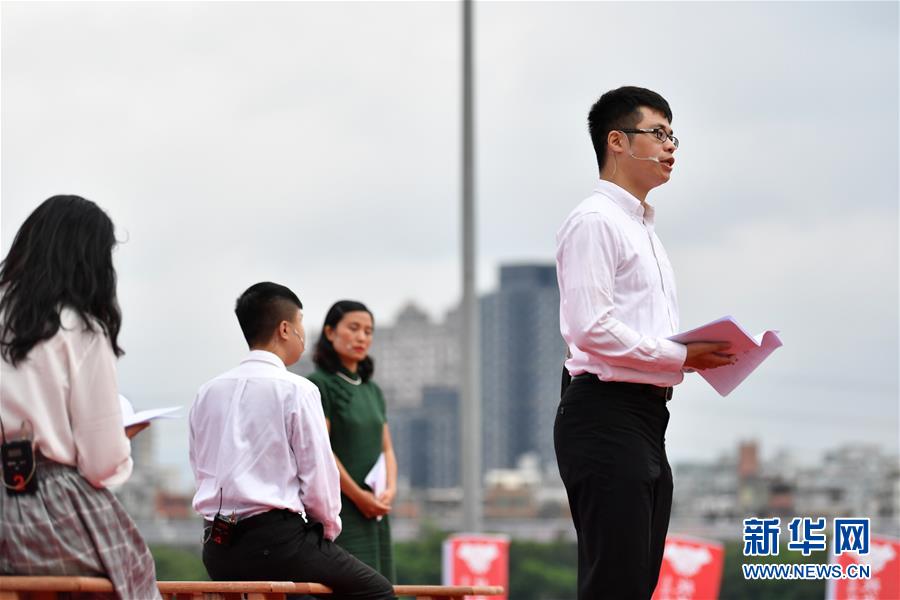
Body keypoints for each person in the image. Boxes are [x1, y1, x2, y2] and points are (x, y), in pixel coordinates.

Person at [553, 87, 736, 599]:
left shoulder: (642, 228)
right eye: (657, 133)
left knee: (634, 582)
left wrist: (694, 354)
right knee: (615, 582)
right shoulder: (595, 220)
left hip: (647, 418)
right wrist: (681, 354)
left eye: (673, 135)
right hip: (605, 415)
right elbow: (591, 328)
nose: (670, 146)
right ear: (617, 141)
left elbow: (632, 331)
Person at [0, 195, 161, 599]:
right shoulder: (80, 329)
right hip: (44, 499)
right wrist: (122, 442)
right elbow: (101, 462)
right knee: (133, 571)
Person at [189, 283, 394, 600]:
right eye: (300, 323)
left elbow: (201, 467)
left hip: (217, 542)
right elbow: (318, 476)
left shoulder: (208, 391)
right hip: (279, 541)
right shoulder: (297, 389)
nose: (303, 332)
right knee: (377, 591)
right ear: (285, 329)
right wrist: (324, 534)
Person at [308, 301, 397, 582]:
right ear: (331, 332)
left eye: (368, 331)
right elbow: (323, 451)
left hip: (375, 510)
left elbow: (387, 448)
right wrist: (359, 498)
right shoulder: (319, 384)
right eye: (354, 328)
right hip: (342, 509)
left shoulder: (373, 390)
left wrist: (389, 491)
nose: (362, 337)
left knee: (381, 583)